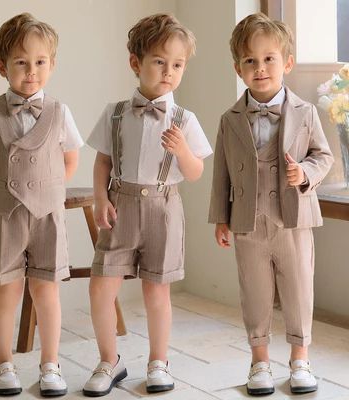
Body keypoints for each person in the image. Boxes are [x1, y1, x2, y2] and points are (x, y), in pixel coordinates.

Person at [83, 13, 212, 397]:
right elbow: (103, 161)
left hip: (163, 209)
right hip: (120, 206)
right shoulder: (116, 113)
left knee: (157, 290)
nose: (169, 72)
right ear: (135, 63)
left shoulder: (184, 119)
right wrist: (100, 197)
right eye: (160, 61)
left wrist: (184, 151)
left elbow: (194, 172)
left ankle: (159, 361)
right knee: (101, 286)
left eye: (178, 65)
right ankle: (110, 360)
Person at [208, 12, 334, 396]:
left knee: (298, 290)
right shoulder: (230, 120)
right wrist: (221, 219)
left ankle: (300, 359)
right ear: (238, 68)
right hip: (248, 221)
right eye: (250, 60)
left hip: (294, 221)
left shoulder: (305, 112)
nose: (260, 68)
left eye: (268, 59)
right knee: (255, 292)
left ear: (287, 63)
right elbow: (221, 173)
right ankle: (259, 361)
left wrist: (306, 174)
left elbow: (323, 156)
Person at [0, 12, 83, 397]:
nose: (31, 72)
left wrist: (51, 192)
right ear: (2, 67)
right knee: (7, 291)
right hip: (6, 215)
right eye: (21, 63)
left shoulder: (59, 112)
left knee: (47, 291)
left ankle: (51, 364)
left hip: (47, 214)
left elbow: (70, 157)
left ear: (52, 64)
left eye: (40, 62)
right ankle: (3, 363)